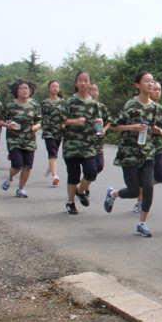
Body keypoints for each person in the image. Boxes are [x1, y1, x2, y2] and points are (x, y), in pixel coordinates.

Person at [103, 72, 162, 237]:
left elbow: (152, 126)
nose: (150, 84)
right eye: (146, 81)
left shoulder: (156, 108)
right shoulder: (130, 105)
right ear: (138, 85)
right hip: (129, 152)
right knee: (132, 191)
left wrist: (159, 130)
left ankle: (142, 223)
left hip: (147, 153)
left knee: (148, 187)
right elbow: (115, 126)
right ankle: (113, 194)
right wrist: (132, 127)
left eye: (152, 81)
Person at [61, 71, 101, 215]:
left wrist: (100, 127)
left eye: (86, 80)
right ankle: (70, 203)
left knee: (92, 172)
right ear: (76, 83)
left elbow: (98, 123)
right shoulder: (70, 101)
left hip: (88, 145)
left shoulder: (94, 103)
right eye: (80, 80)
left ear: (90, 83)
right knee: (73, 175)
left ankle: (80, 190)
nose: (83, 83)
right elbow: (61, 119)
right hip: (71, 145)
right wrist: (74, 121)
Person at [133, 81, 162, 213]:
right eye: (155, 89)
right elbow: (145, 125)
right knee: (146, 178)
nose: (157, 92)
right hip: (144, 147)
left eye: (160, 89)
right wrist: (159, 131)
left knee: (161, 175)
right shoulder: (142, 106)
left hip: (158, 146)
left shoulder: (161, 109)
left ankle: (142, 185)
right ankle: (140, 201)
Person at [0, 80, 42, 198]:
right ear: (16, 91)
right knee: (18, 164)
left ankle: (21, 188)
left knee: (28, 166)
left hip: (29, 139)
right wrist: (8, 125)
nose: (25, 91)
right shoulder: (10, 106)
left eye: (27, 89)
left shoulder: (34, 105)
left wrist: (36, 126)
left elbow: (40, 120)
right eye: (22, 88)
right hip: (14, 139)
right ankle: (10, 177)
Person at [40, 80, 65, 186]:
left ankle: (50, 167)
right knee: (52, 152)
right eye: (53, 86)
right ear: (49, 89)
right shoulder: (44, 103)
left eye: (57, 86)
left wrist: (64, 124)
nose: (55, 88)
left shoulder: (63, 102)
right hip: (48, 130)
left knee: (55, 152)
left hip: (59, 130)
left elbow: (66, 115)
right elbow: (39, 115)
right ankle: (55, 175)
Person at [88, 82, 111, 176]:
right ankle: (85, 188)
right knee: (90, 167)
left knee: (99, 165)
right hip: (87, 141)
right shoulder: (84, 106)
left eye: (96, 89)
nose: (94, 92)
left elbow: (110, 121)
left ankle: (84, 183)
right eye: (91, 89)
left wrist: (104, 129)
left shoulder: (101, 107)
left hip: (98, 142)